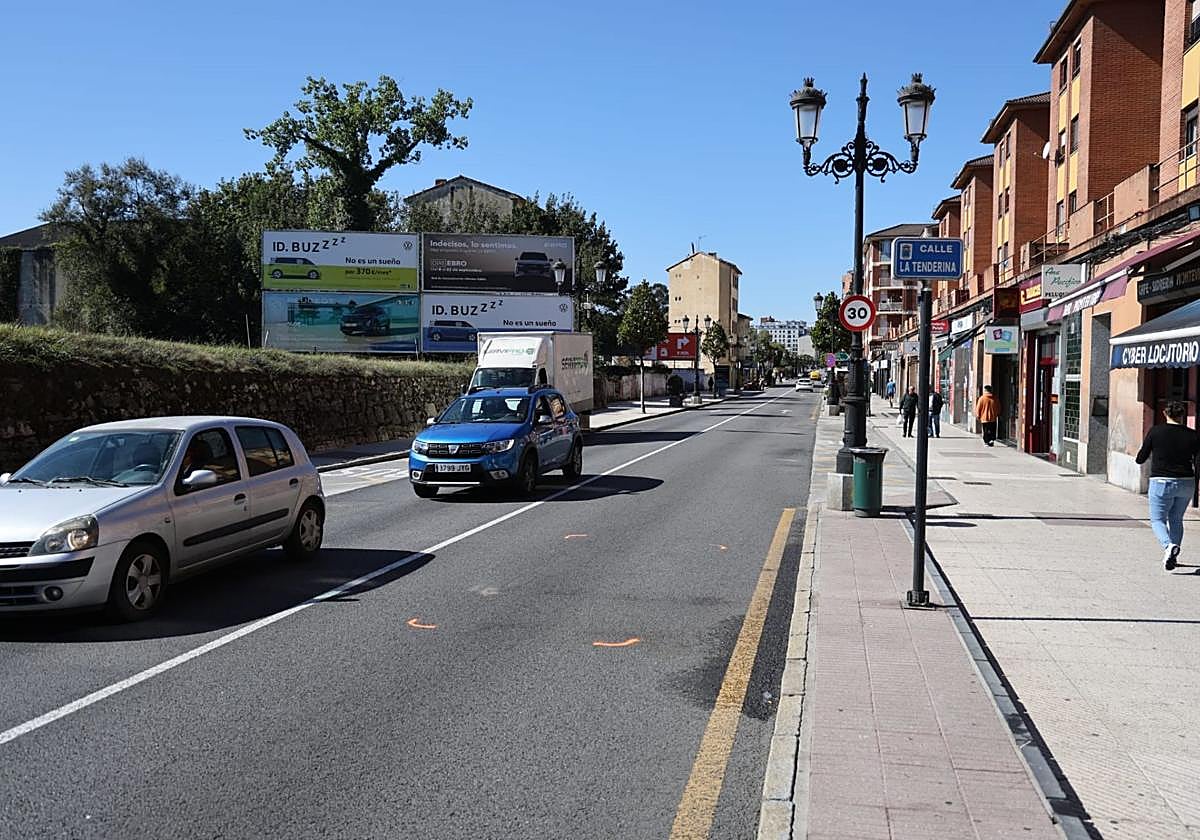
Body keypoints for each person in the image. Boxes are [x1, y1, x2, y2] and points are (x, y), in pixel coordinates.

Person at [1135, 400, 1200, 571]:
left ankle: (1168, 546)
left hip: (1161, 481)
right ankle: (1173, 556)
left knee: (1157, 519)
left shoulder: (1156, 431)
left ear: (1165, 413)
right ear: (1182, 415)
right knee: (1176, 519)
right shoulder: (1193, 435)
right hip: (1187, 482)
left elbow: (1141, 458)